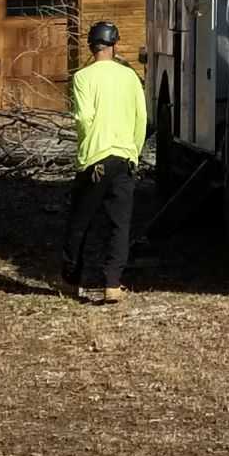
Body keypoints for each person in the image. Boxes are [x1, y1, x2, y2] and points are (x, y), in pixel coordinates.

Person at [59, 20, 147, 304]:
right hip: (124, 157)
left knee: (80, 222)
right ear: (115, 45)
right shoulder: (130, 77)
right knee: (119, 224)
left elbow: (84, 118)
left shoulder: (82, 78)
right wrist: (134, 151)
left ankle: (72, 280)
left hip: (94, 160)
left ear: (90, 47)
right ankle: (112, 284)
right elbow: (141, 118)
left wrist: (87, 143)